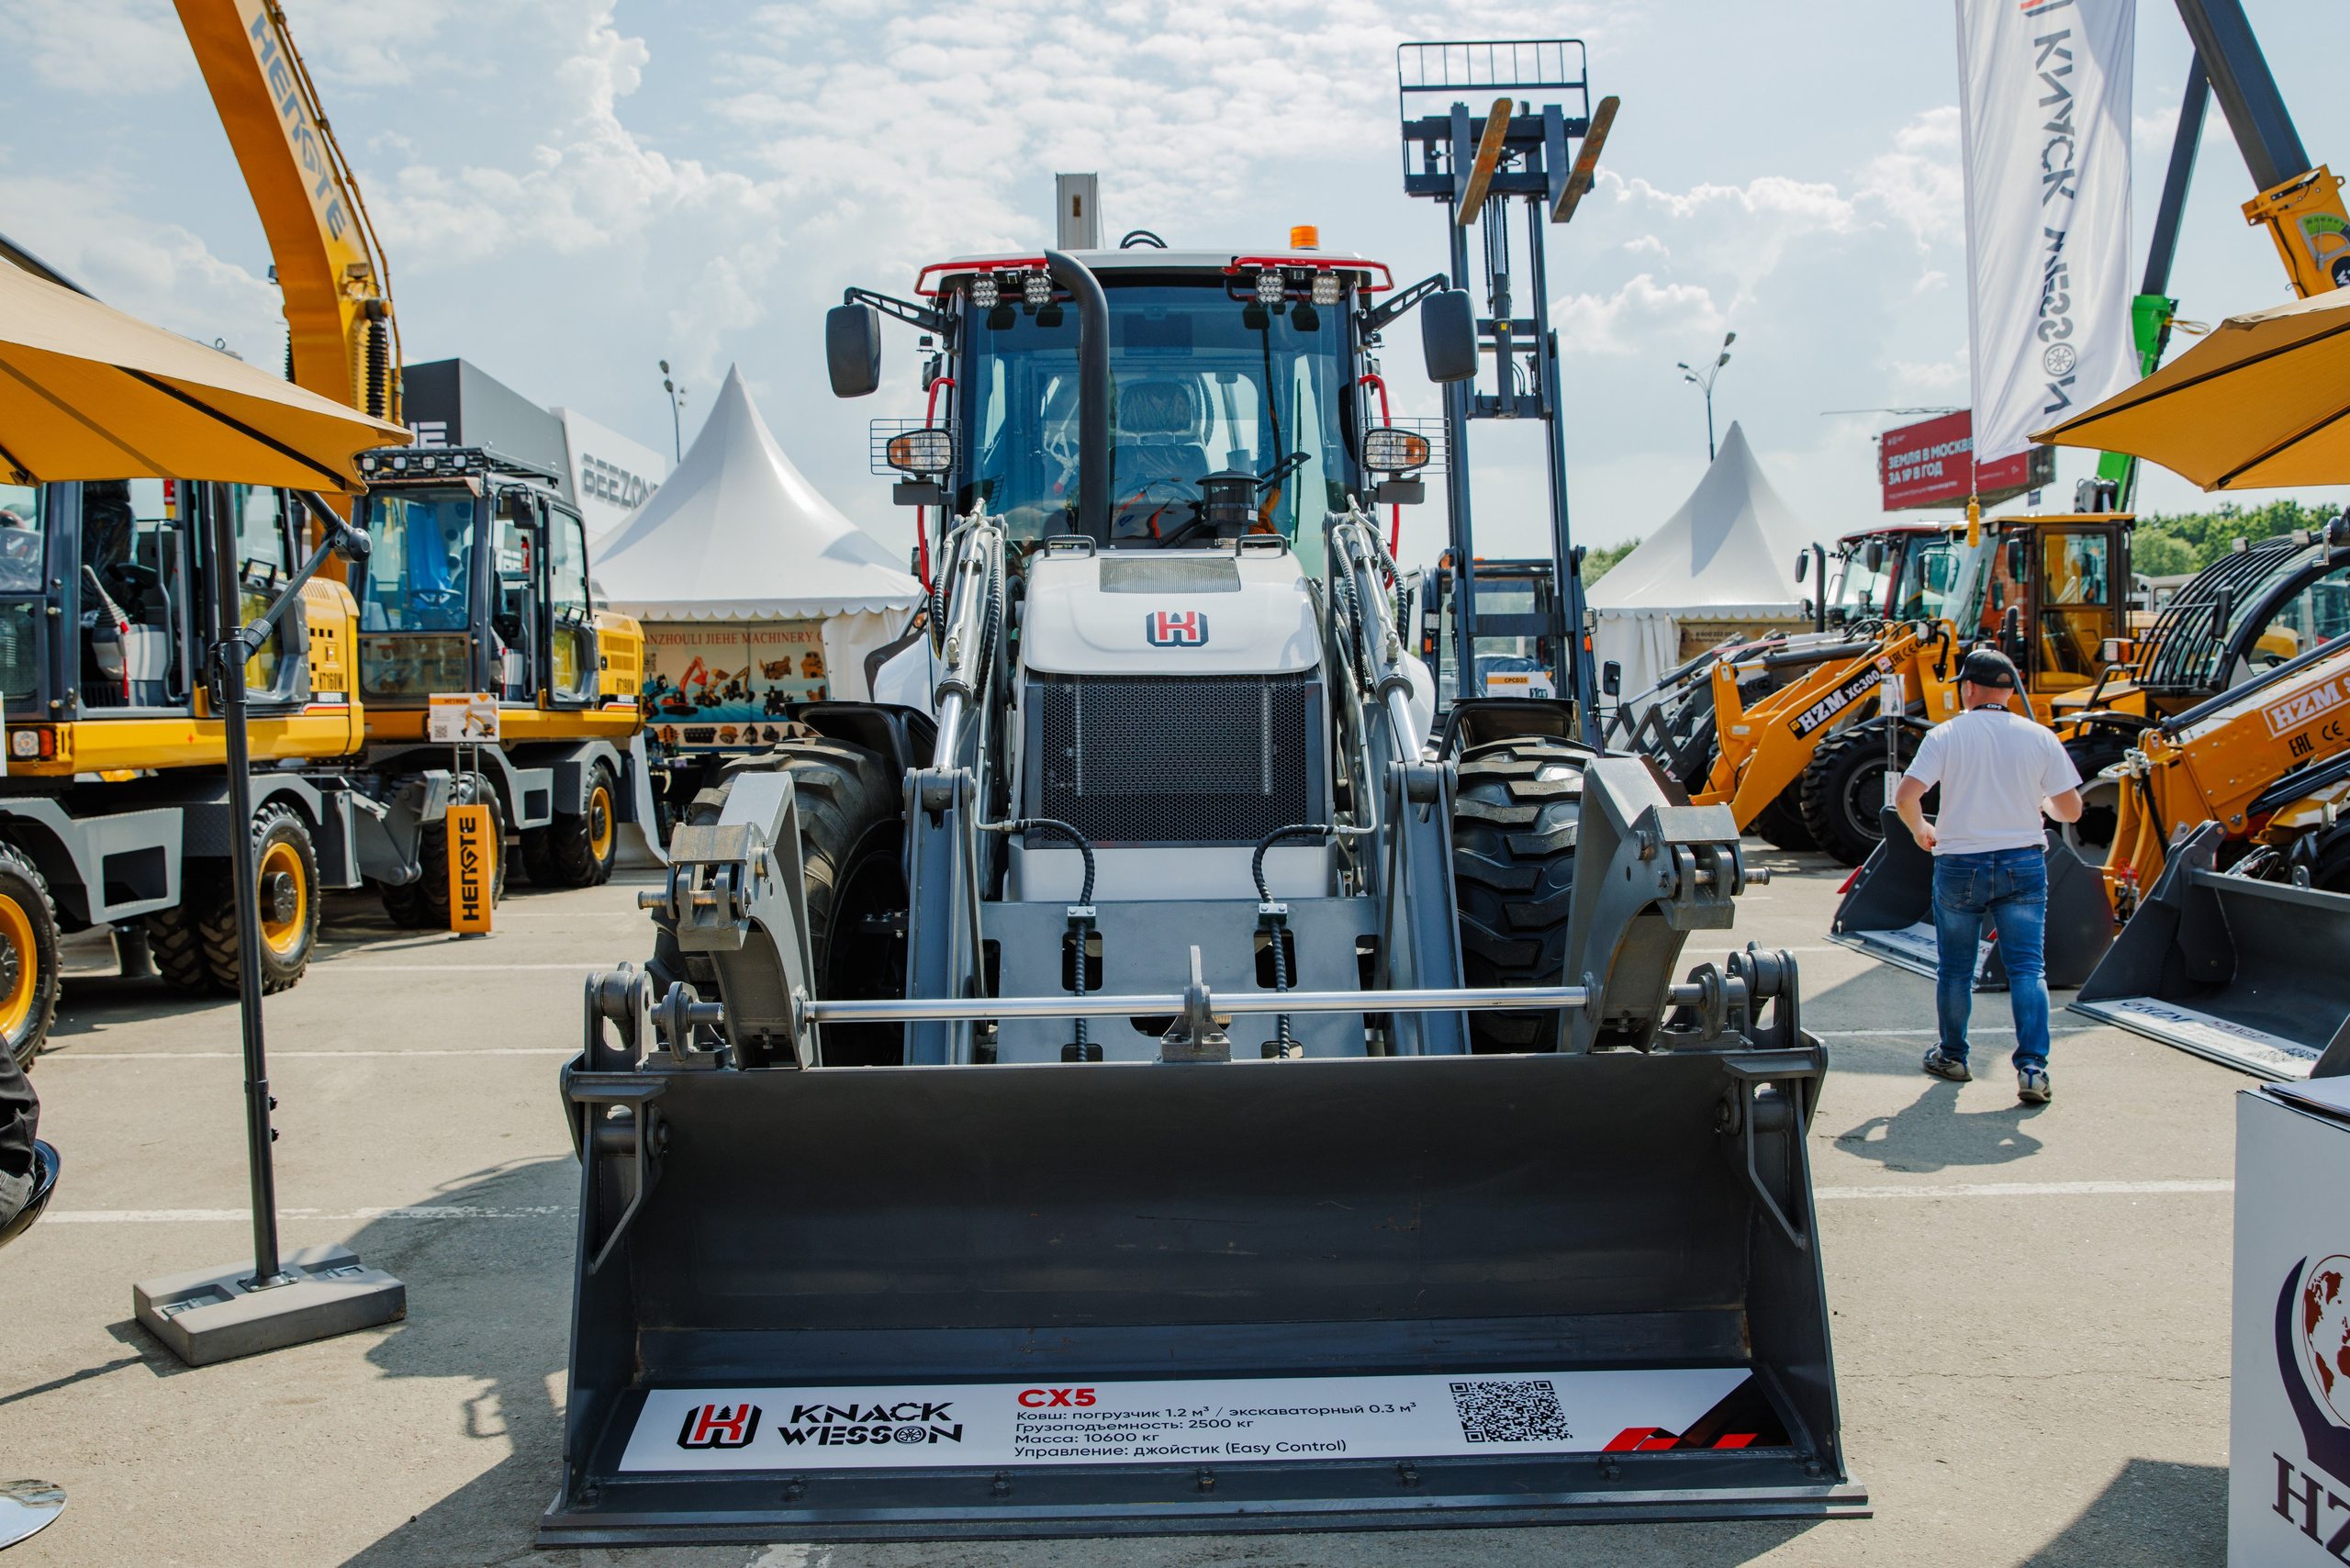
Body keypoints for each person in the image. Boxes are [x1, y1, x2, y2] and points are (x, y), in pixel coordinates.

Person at [1893, 647, 2083, 1104]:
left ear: (1969, 688)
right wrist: (2042, 805)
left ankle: (1953, 1055)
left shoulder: (1945, 735)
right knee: (2026, 968)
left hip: (1960, 864)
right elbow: (2071, 809)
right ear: (2010, 692)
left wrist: (1922, 829)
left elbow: (1906, 796)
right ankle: (2033, 1070)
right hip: (2022, 864)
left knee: (1956, 970)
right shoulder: (2040, 737)